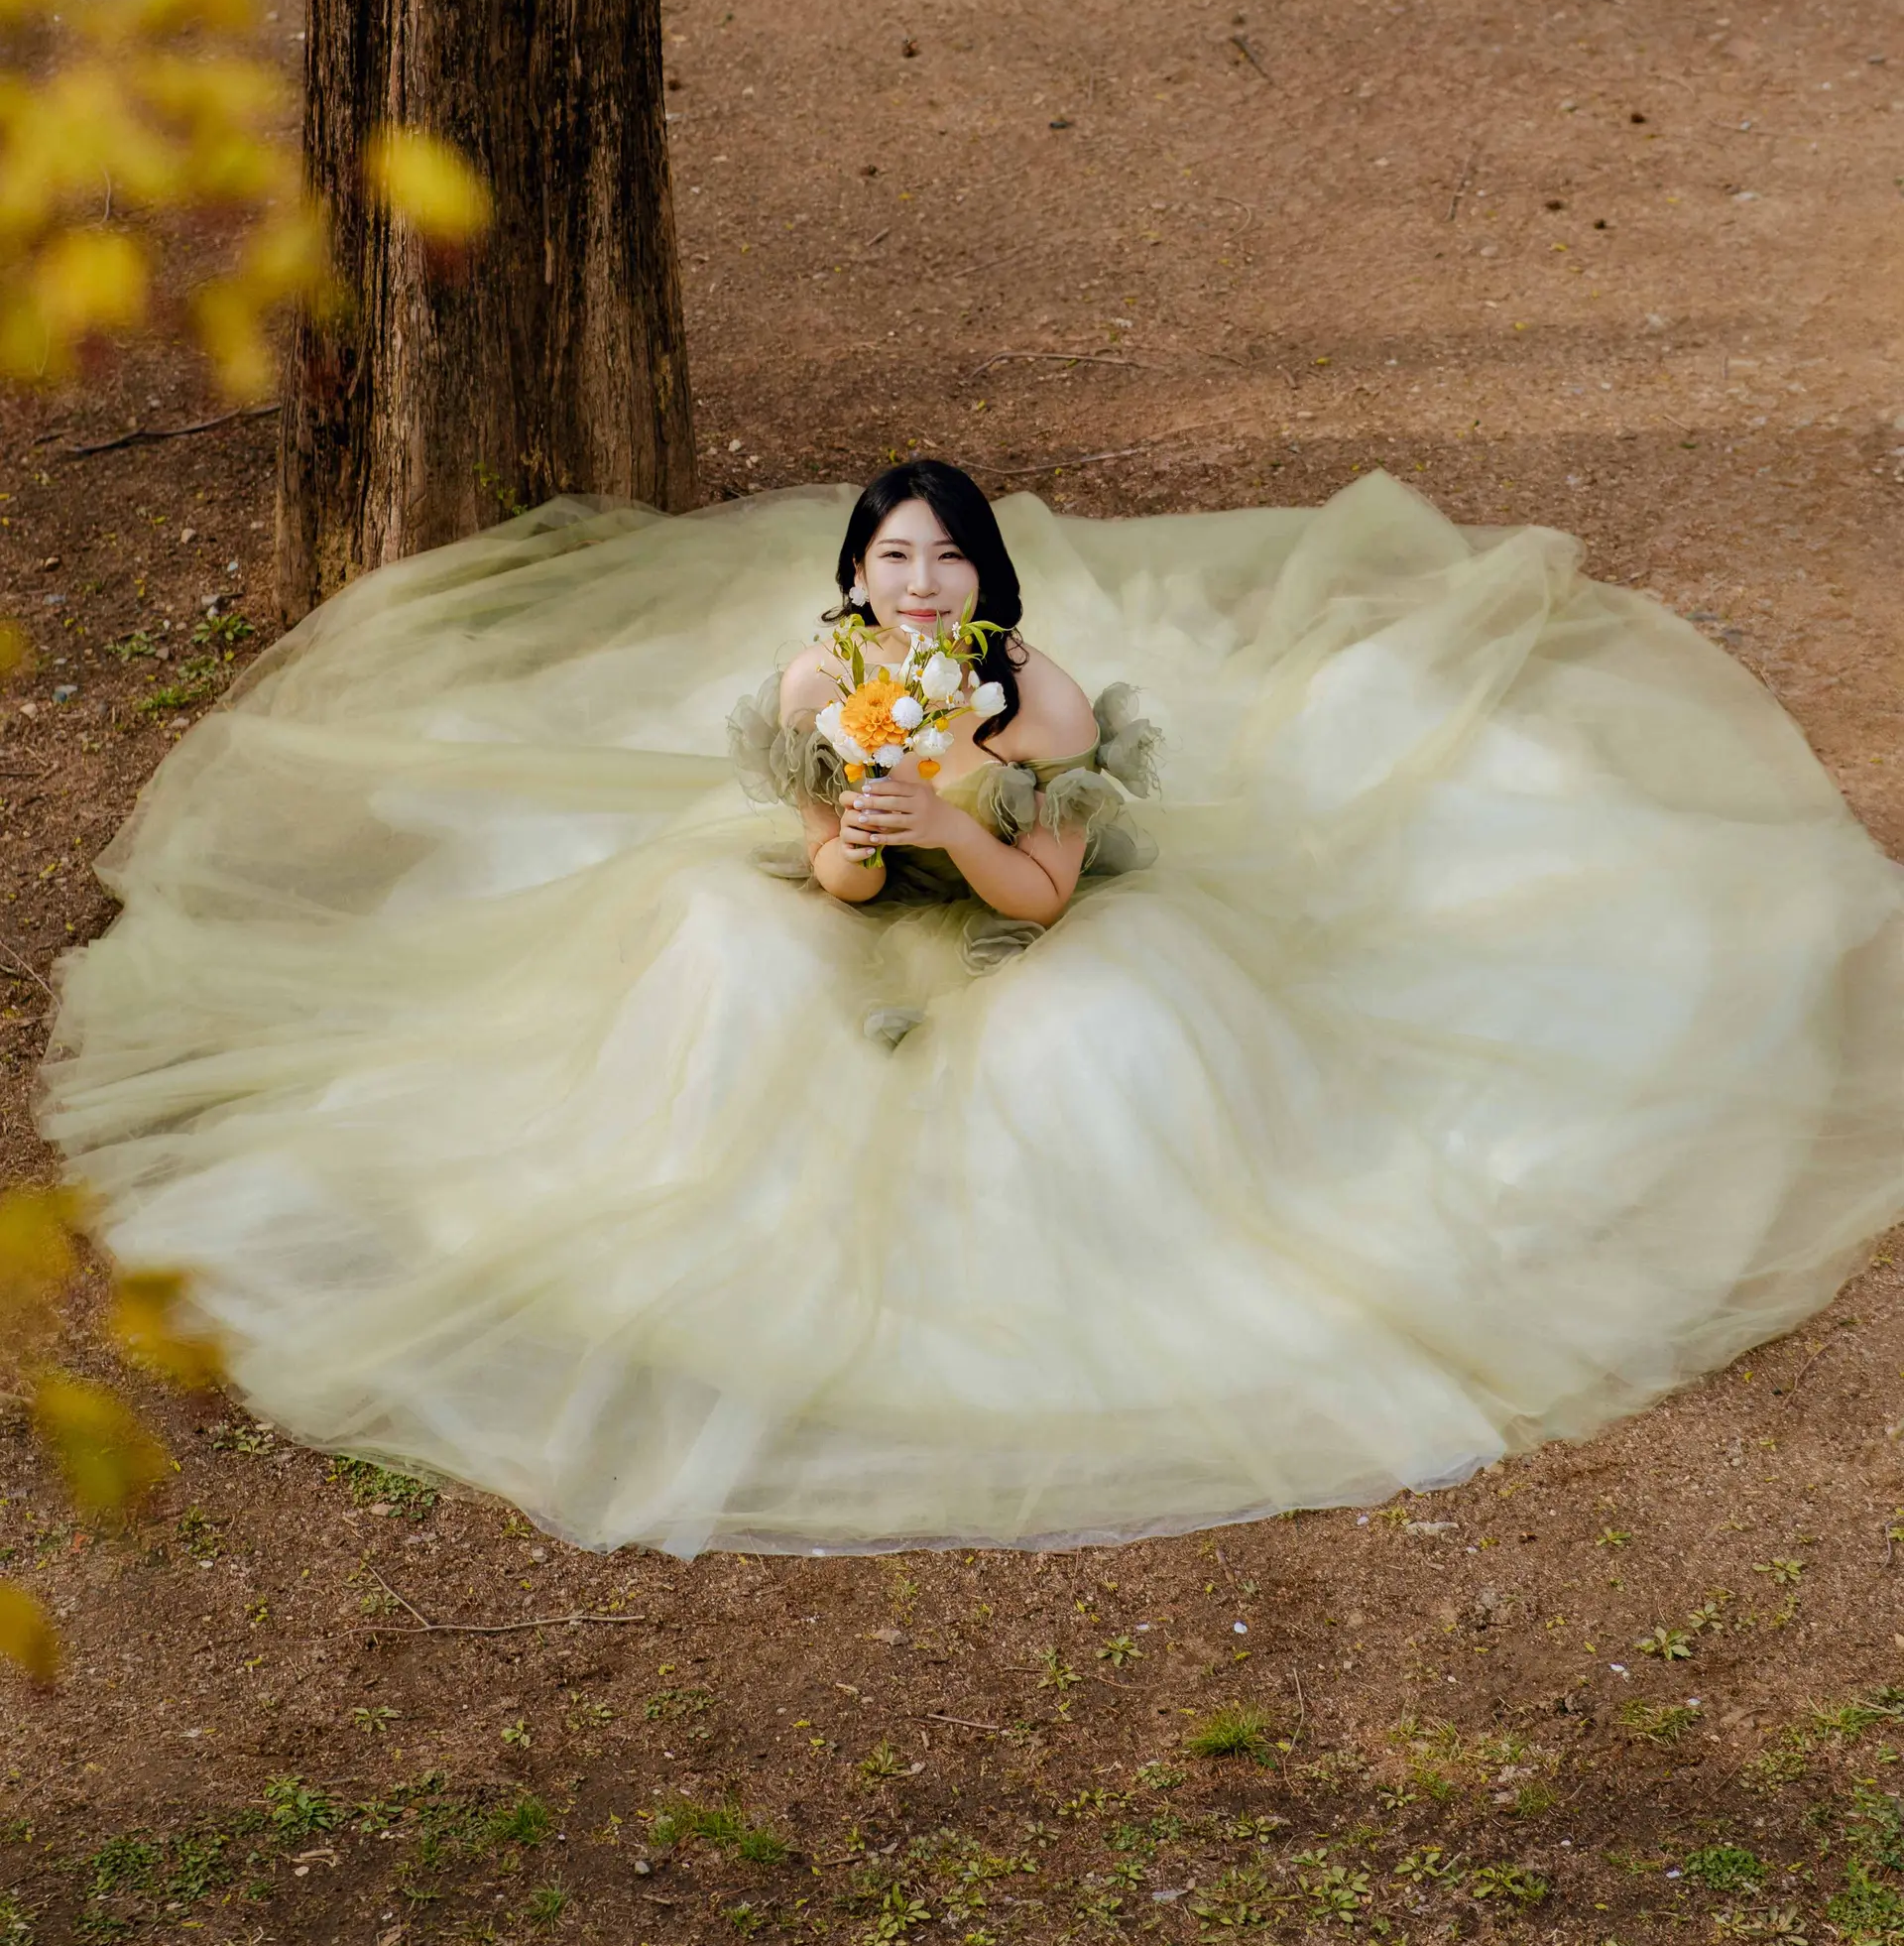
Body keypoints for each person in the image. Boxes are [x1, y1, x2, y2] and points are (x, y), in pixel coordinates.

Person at [40, 460, 1904, 1558]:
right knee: (716, 946)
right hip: (881, 892)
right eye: (891, 560)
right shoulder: (820, 683)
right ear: (855, 578)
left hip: (1027, 895)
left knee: (1106, 1035)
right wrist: (860, 841)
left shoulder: (1047, 704)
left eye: (943, 561)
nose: (916, 586)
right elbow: (833, 883)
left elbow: (1039, 893)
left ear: (987, 584)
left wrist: (953, 818)